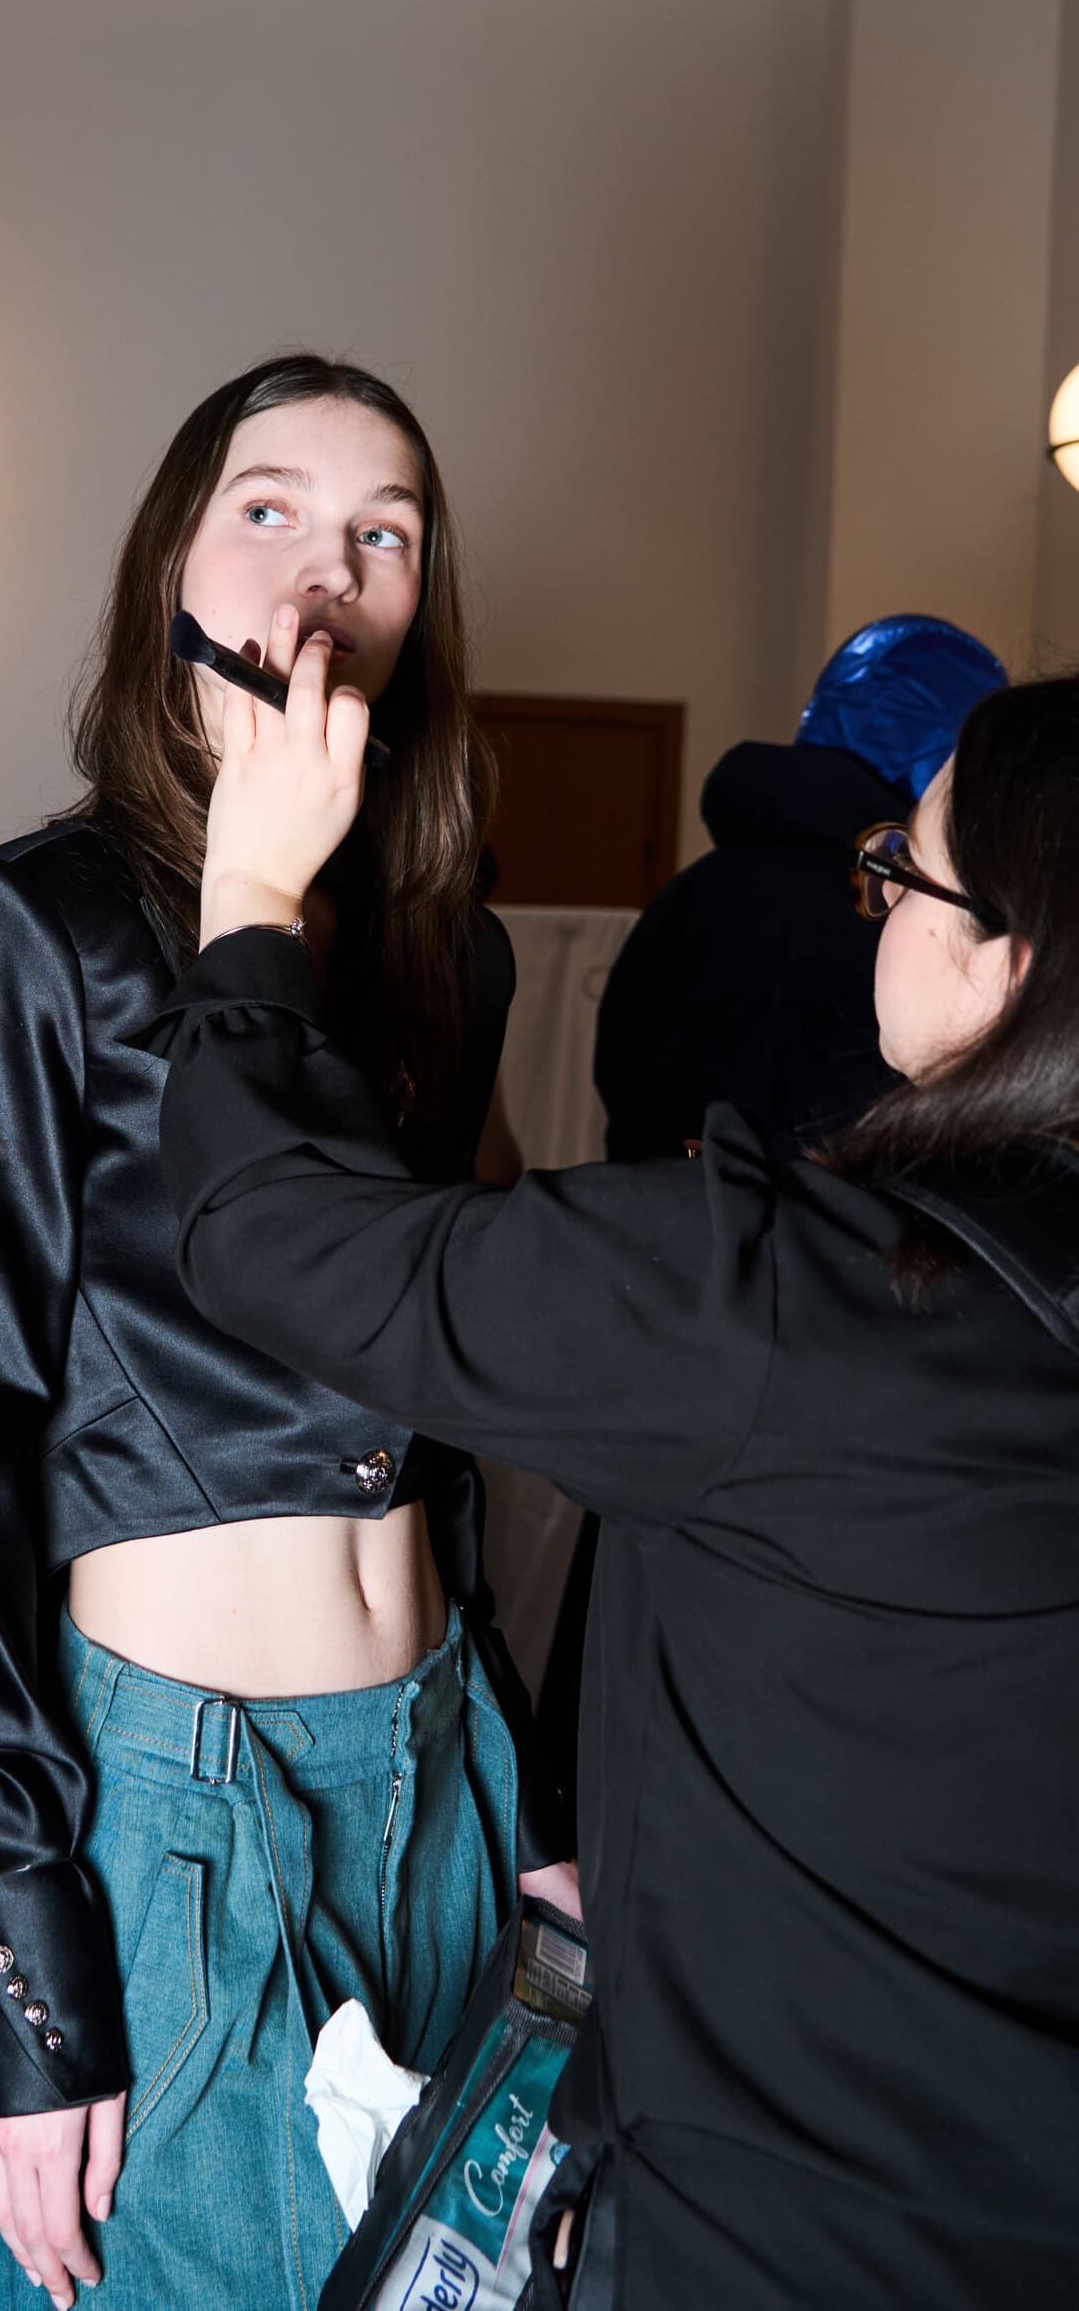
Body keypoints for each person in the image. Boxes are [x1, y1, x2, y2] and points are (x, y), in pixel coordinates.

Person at [147, 646, 1079, 2309]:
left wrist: (253, 900)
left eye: (902, 872)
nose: (873, 903)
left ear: (1010, 964)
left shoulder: (788, 1301)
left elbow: (273, 1238)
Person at [0, 355, 563, 2311]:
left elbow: (449, 1404)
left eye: (382, 533)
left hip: (441, 1762)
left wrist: (531, 1799)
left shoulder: (449, 952)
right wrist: (15, 1959)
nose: (325, 570)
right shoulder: (23, 926)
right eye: (267, 509)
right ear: (167, 560)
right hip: (179, 1791)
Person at [595, 614, 1006, 1161]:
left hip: (656, 1200)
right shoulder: (894, 919)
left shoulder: (694, 888)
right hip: (830, 1208)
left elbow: (622, 1065)